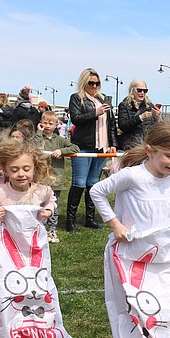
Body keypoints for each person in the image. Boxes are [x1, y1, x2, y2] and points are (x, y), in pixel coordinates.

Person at [89, 122, 170, 338]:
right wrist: (115, 224)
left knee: (166, 312)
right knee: (137, 313)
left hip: (166, 255)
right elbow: (97, 192)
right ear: (150, 151)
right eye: (169, 156)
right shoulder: (133, 176)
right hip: (131, 257)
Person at [0, 138, 73, 338]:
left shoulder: (40, 190)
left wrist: (48, 210)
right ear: (4, 169)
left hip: (34, 253)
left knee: (39, 287)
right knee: (8, 289)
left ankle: (41, 329)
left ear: (35, 167)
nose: (21, 174)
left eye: (26, 168)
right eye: (14, 170)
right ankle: (11, 336)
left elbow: (50, 200)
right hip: (6, 253)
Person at [67, 67, 117, 232]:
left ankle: (90, 218)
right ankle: (70, 221)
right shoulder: (77, 98)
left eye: (97, 83)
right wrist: (95, 112)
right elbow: (76, 119)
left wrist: (113, 143)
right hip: (83, 146)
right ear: (84, 82)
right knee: (79, 183)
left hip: (102, 148)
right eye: (91, 83)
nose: (95, 86)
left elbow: (111, 124)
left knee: (93, 184)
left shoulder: (103, 99)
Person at [35, 110, 80, 243]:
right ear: (40, 123)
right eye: (45, 123)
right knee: (40, 203)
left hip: (56, 178)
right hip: (41, 178)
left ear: (56, 125)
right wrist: (38, 132)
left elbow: (75, 148)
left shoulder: (60, 140)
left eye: (51, 123)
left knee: (53, 204)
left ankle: (52, 230)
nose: (47, 126)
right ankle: (40, 229)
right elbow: (34, 147)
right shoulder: (38, 138)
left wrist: (62, 151)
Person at [117, 79, 161, 150]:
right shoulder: (124, 105)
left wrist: (158, 117)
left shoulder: (150, 106)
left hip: (146, 145)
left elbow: (155, 129)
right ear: (132, 90)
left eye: (145, 91)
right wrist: (140, 117)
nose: (142, 93)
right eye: (139, 90)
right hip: (131, 145)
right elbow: (123, 126)